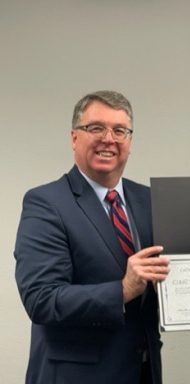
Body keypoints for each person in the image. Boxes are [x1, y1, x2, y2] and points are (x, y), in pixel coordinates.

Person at [14, 90, 170, 384]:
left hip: (143, 371)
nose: (108, 139)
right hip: (76, 376)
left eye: (119, 130)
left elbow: (165, 277)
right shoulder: (46, 203)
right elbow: (41, 299)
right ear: (74, 137)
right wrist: (122, 290)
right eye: (96, 128)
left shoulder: (149, 200)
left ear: (130, 142)